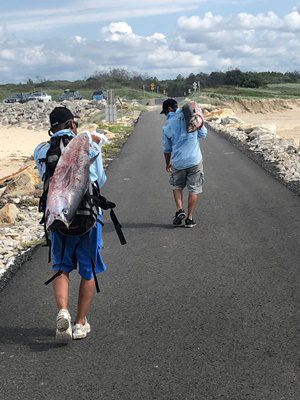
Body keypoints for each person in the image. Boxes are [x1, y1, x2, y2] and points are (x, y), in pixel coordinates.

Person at [34, 106, 107, 341]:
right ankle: (79, 323)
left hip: (58, 219)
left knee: (61, 268)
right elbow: (100, 180)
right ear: (71, 124)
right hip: (88, 220)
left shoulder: (42, 150)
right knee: (88, 272)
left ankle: (63, 311)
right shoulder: (89, 145)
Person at [161, 98, 207, 228]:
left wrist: (167, 163)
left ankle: (180, 210)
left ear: (169, 109)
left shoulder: (167, 126)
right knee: (194, 189)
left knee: (177, 186)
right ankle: (189, 219)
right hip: (194, 160)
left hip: (178, 162)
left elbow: (167, 149)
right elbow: (203, 133)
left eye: (164, 112)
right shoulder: (190, 117)